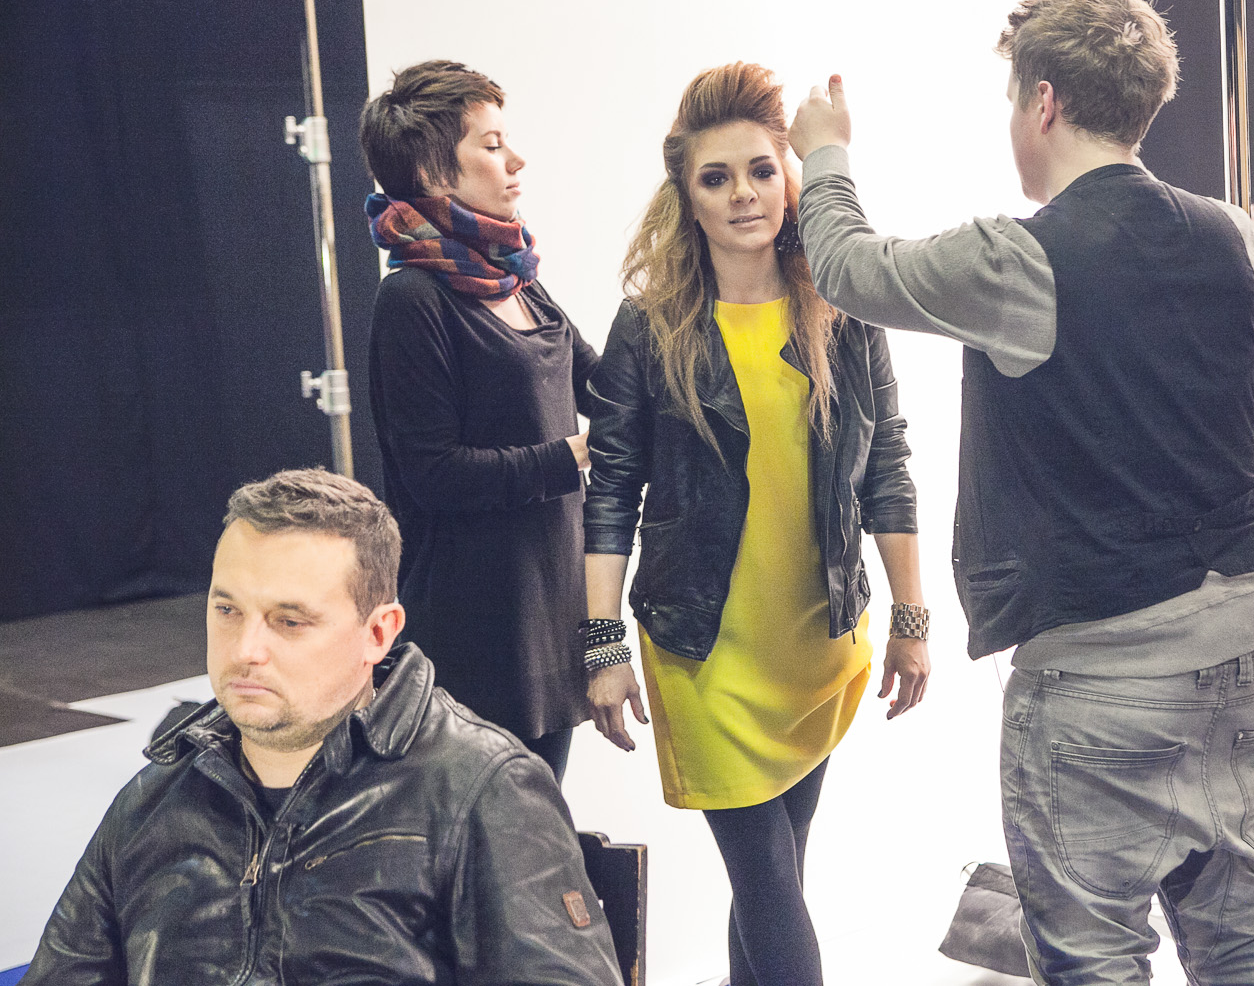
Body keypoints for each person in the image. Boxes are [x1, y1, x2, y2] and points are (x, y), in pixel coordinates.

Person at [789, 0, 1254, 985]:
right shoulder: (1232, 239)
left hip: (1096, 672)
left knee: (1093, 959)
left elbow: (848, 266)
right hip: (1235, 652)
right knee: (1243, 943)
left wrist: (825, 153)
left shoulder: (1018, 261)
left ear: (1044, 102)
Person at [582, 62, 930, 986]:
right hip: (704, 654)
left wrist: (911, 617)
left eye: (761, 170)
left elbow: (888, 468)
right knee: (770, 886)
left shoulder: (844, 313)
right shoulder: (649, 328)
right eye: (717, 177)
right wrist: (601, 641)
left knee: (773, 884)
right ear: (687, 198)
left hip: (815, 646)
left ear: (791, 178)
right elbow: (611, 491)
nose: (743, 193)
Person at [21, 468, 623, 986]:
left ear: (378, 632)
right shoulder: (156, 797)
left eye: (289, 621)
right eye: (227, 610)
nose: (246, 650)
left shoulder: (479, 791)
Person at [361, 60, 597, 782]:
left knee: (540, 830)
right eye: (492, 145)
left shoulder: (520, 280)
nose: (515, 159)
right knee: (485, 840)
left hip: (552, 620)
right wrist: (571, 456)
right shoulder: (412, 301)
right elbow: (433, 474)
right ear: (434, 170)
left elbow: (608, 387)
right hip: (473, 639)